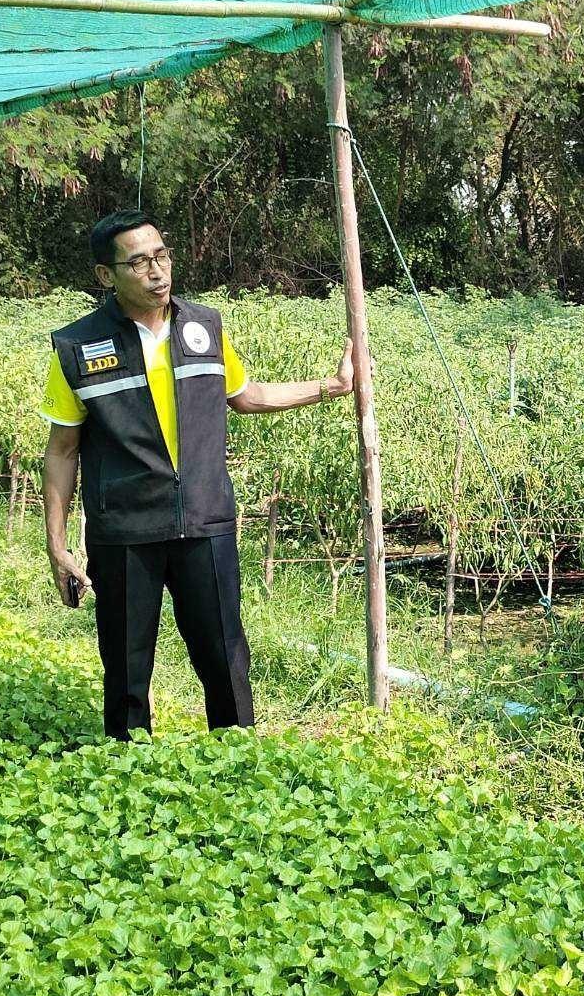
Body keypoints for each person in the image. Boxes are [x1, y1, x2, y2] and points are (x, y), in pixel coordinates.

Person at [41, 209, 354, 740]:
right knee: (125, 665)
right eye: (137, 262)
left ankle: (236, 758)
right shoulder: (77, 348)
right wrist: (57, 543)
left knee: (225, 656)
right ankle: (126, 766)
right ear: (105, 275)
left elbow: (248, 396)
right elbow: (62, 449)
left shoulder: (202, 327)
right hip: (125, 530)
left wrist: (332, 385)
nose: (156, 271)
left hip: (205, 520)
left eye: (161, 255)